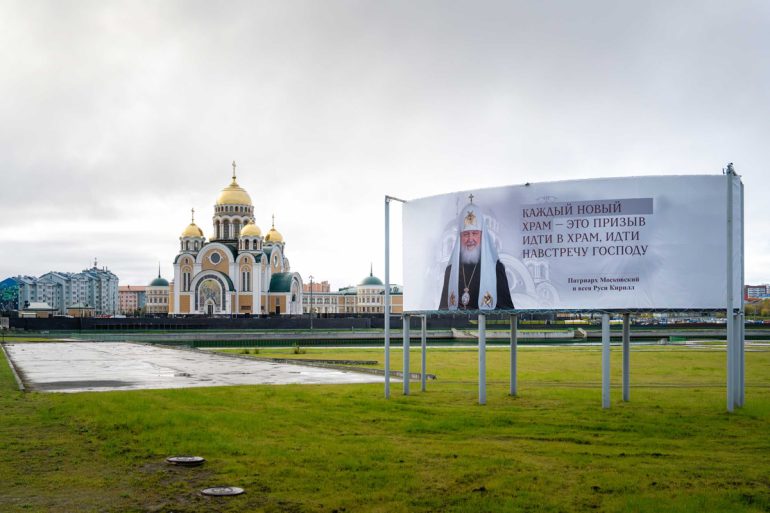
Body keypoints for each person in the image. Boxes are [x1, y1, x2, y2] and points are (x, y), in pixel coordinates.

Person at [439, 198, 514, 310]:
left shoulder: (496, 269)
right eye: (466, 234)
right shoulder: (451, 270)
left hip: (484, 326)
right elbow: (443, 309)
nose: (470, 239)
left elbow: (506, 310)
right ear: (460, 238)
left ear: (482, 236)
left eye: (474, 233)